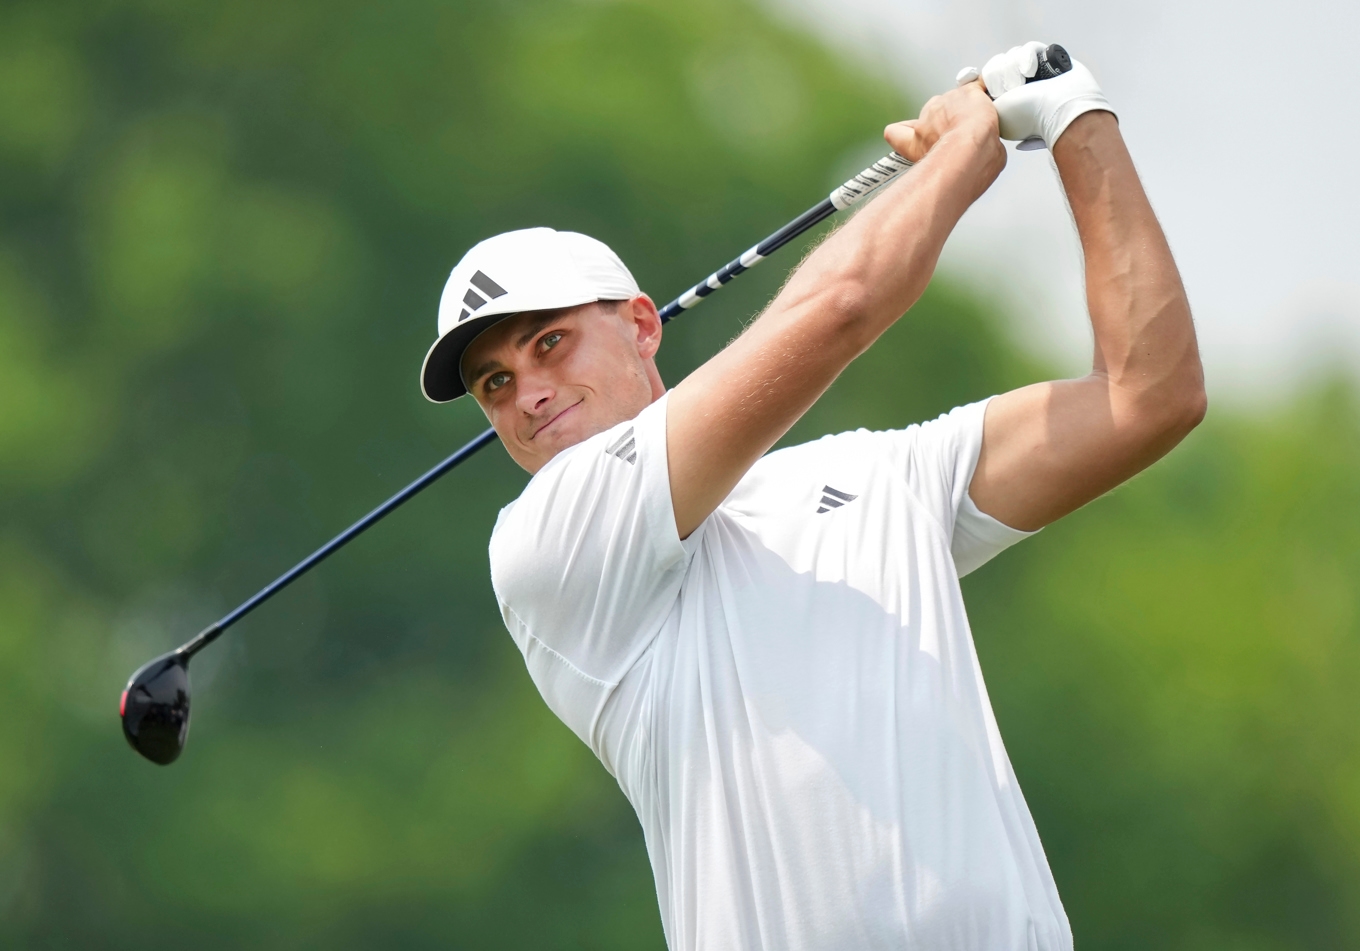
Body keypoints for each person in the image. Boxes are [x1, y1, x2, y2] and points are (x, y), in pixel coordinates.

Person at [417, 43, 1204, 951]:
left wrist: (1076, 120)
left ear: (640, 326)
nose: (527, 393)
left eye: (548, 344)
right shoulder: (548, 547)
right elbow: (840, 308)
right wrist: (967, 147)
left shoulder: (884, 475)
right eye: (495, 384)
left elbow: (1150, 396)